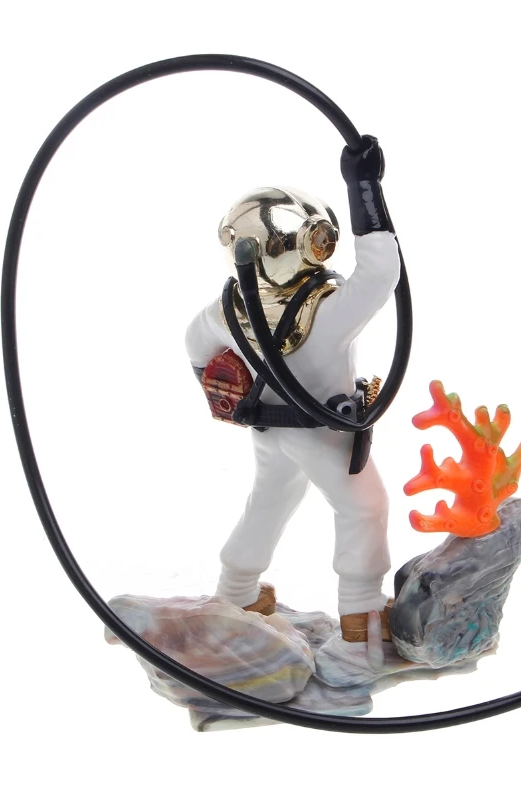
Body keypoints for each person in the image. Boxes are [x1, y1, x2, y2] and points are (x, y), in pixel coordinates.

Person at [185, 137, 400, 642]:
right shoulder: (326, 315)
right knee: (364, 505)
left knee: (270, 500)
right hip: (324, 432)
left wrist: (229, 397)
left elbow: (195, 345)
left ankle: (236, 590)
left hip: (268, 431)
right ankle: (363, 611)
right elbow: (381, 273)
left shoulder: (227, 310)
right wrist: (364, 187)